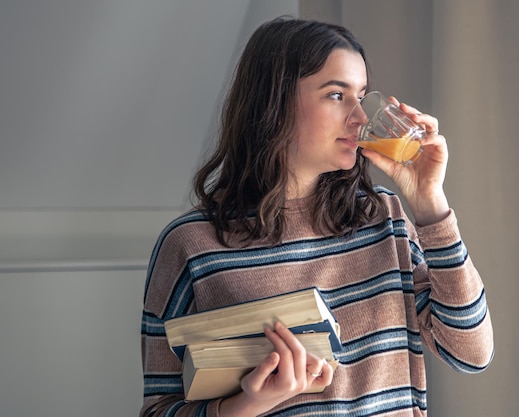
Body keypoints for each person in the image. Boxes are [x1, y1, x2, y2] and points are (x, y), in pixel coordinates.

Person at [140, 16, 494, 417]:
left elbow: (470, 353)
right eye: (335, 95)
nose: (361, 117)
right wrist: (245, 406)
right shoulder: (190, 245)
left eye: (361, 95)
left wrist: (430, 203)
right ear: (272, 102)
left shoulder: (385, 218)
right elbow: (159, 409)